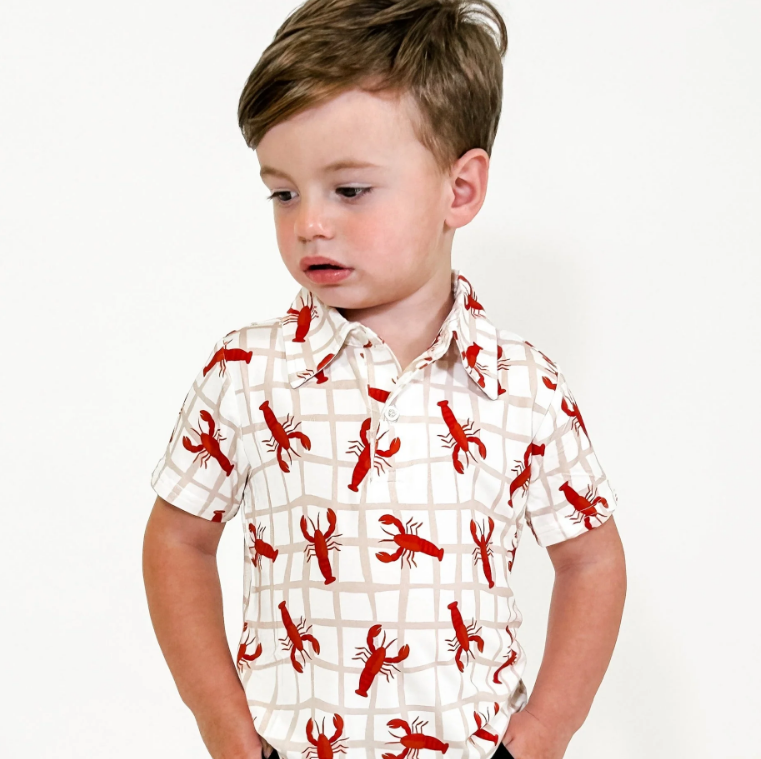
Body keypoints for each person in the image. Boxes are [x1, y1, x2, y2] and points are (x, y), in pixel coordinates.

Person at [142, 1, 627, 758]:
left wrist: (542, 733)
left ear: (458, 191)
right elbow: (177, 539)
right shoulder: (244, 373)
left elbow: (591, 559)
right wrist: (220, 720)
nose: (309, 223)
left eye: (349, 190)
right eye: (283, 192)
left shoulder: (525, 386)